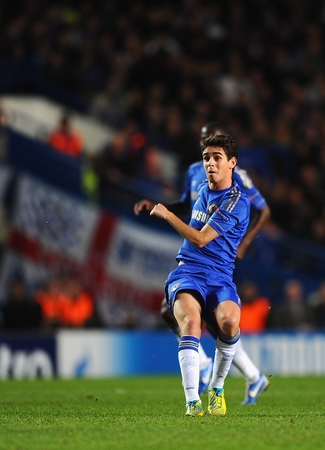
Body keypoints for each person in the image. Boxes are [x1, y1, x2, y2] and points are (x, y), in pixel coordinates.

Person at [134, 122, 272, 406]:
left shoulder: (240, 189)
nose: (208, 162)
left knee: (227, 322)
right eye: (205, 155)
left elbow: (202, 236)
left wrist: (244, 243)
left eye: (215, 156)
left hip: (219, 271)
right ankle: (196, 394)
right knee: (188, 319)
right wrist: (158, 207)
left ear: (231, 162)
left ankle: (224, 382)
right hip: (190, 269)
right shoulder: (198, 178)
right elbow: (189, 205)